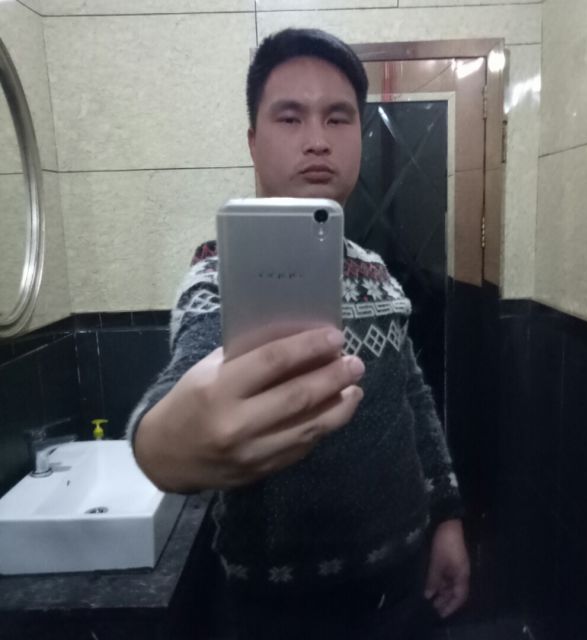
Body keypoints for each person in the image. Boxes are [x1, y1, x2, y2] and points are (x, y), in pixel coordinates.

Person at [127, 28, 469, 640]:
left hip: (404, 592)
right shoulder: (217, 276)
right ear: (253, 142)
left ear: (359, 136)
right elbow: (182, 382)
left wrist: (447, 516)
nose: (317, 140)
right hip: (276, 615)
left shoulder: (377, 270)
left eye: (338, 118)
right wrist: (158, 446)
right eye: (290, 118)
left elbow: (414, 402)